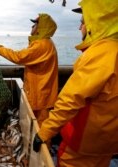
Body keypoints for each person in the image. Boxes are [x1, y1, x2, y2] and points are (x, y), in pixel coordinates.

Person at [33, 0, 118, 167]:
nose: (80, 28)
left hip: (82, 145)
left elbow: (71, 99)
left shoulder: (100, 54)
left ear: (96, 22)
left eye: (83, 22)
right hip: (108, 144)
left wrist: (44, 132)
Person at [0, 13, 58, 128]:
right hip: (41, 94)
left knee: (41, 128)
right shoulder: (45, 43)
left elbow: (19, 57)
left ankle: (43, 145)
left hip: (41, 96)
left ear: (41, 28)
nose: (32, 27)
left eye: (34, 24)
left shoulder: (41, 45)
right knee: (36, 126)